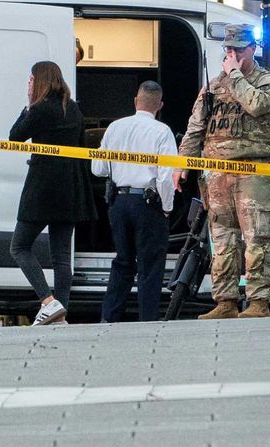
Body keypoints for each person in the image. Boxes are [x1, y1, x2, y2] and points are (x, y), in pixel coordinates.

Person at [174, 23, 270, 320]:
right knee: (222, 239)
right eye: (229, 49)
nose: (233, 54)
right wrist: (184, 162)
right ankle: (225, 301)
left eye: (239, 49)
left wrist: (235, 76)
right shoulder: (213, 85)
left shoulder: (268, 82)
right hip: (217, 175)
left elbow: (258, 106)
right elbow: (196, 126)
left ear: (252, 49)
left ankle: (258, 302)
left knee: (258, 238)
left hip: (255, 174)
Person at [8, 61, 97, 326]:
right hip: (70, 189)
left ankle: (48, 302)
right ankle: (61, 314)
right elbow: (81, 148)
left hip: (42, 189)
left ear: (40, 81)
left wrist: (27, 104)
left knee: (19, 246)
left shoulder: (40, 109)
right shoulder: (74, 109)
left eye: (31, 79)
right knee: (61, 256)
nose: (29, 84)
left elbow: (14, 137)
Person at [91, 81, 177, 323]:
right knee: (149, 267)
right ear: (159, 105)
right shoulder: (162, 132)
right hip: (147, 204)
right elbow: (166, 176)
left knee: (122, 262)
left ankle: (108, 319)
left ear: (135, 101)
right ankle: (147, 322)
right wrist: (167, 208)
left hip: (119, 203)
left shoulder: (115, 128)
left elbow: (97, 169)